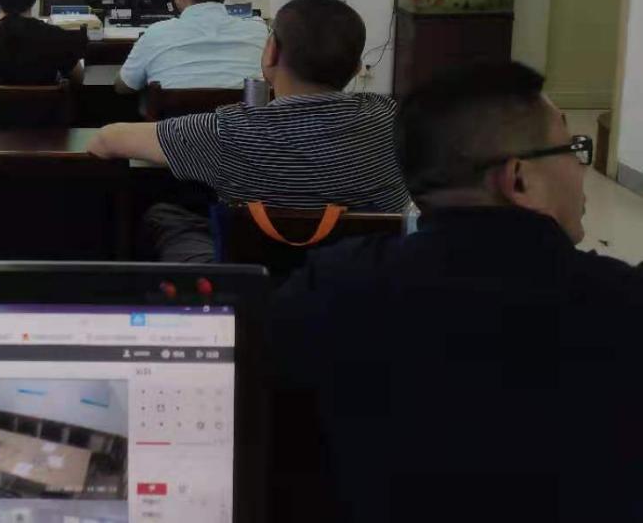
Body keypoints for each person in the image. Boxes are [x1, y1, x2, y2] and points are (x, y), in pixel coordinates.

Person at [266, 62, 643, 523]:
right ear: (518, 179)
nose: (580, 170)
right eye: (570, 150)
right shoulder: (622, 307)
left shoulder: (324, 292)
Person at [87, 0, 408, 261]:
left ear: (271, 53)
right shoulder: (391, 120)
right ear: (356, 68)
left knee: (164, 214)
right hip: (357, 287)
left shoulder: (230, 131)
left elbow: (107, 140)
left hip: (251, 284)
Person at [115, 0, 266, 94]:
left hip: (173, 111)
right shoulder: (260, 33)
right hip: (242, 110)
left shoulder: (155, 35)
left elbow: (124, 86)